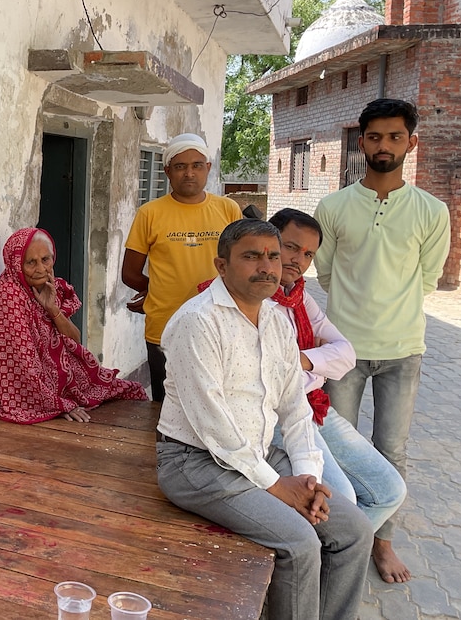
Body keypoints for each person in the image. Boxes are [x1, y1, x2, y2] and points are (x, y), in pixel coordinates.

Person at [156, 219, 373, 620]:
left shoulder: (275, 319)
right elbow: (213, 424)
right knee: (300, 543)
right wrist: (277, 487)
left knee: (354, 532)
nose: (267, 267)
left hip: (257, 451)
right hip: (195, 462)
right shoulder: (198, 321)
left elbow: (294, 405)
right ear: (221, 266)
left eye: (273, 256)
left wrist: (308, 477)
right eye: (251, 256)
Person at [314, 98, 451, 583]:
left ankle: (381, 541)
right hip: (342, 353)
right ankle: (337, 538)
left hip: (403, 350)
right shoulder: (333, 207)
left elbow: (428, 278)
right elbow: (325, 273)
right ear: (361, 141)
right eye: (375, 137)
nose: (384, 146)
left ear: (411, 143)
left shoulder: (432, 212)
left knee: (391, 449)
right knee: (334, 450)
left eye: (395, 137)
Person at [266, 208, 407, 533]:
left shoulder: (299, 298)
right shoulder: (253, 296)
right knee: (341, 498)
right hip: (278, 413)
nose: (298, 260)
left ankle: (340, 553)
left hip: (312, 405)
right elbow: (274, 380)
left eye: (308, 254)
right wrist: (316, 365)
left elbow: (345, 352)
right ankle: (331, 556)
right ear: (268, 241)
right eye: (290, 247)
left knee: (390, 490)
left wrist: (302, 360)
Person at [0, 227, 147, 424]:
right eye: (31, 262)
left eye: (45, 259)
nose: (41, 269)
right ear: (16, 264)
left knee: (128, 391)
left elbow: (74, 339)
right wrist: (57, 404)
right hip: (31, 386)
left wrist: (52, 309)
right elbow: (23, 364)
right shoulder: (10, 297)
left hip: (61, 377)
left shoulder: (50, 287)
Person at [122, 132, 242, 401]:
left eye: (197, 165)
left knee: (216, 401)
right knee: (167, 405)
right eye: (180, 166)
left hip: (219, 323)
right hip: (165, 325)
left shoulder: (228, 209)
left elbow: (242, 264)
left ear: (208, 168)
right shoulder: (150, 214)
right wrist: (159, 291)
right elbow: (129, 274)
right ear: (167, 171)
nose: (189, 173)